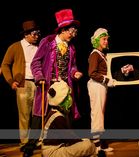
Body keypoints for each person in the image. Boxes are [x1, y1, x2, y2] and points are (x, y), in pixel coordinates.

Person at [23, 9, 83, 157]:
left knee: (65, 115)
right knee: (40, 115)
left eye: (75, 31)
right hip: (48, 85)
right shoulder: (47, 42)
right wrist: (39, 76)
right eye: (71, 31)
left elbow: (72, 66)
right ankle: (30, 146)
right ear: (63, 30)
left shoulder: (71, 48)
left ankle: (68, 141)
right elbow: (36, 63)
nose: (73, 34)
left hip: (64, 86)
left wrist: (74, 73)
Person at [1, 20, 41, 148]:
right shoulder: (15, 47)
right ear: (26, 34)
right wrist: (11, 81)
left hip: (38, 84)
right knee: (24, 114)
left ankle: (36, 140)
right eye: (34, 34)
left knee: (37, 114)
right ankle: (24, 141)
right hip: (23, 84)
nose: (37, 36)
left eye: (37, 33)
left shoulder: (38, 48)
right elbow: (5, 65)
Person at [41, 80, 97, 157]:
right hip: (53, 152)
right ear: (62, 99)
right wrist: (84, 143)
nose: (70, 98)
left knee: (86, 142)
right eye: (68, 96)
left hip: (57, 148)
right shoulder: (58, 117)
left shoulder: (55, 112)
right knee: (88, 145)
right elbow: (70, 139)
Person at [87, 28, 115, 152]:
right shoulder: (95, 54)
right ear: (97, 40)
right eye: (104, 39)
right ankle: (97, 144)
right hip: (96, 85)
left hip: (101, 86)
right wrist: (106, 80)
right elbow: (92, 73)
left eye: (107, 39)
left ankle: (101, 143)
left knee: (100, 113)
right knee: (97, 113)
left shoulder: (101, 54)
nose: (106, 41)